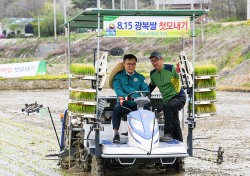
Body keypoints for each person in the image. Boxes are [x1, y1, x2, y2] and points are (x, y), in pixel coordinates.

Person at [148, 52, 186, 142]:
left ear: (162, 60)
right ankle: (179, 142)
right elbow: (151, 86)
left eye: (156, 60)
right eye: (152, 61)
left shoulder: (170, 68)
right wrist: (146, 93)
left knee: (169, 108)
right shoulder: (153, 74)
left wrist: (181, 71)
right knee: (175, 121)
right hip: (166, 100)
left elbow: (180, 77)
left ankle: (167, 133)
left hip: (178, 97)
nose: (154, 63)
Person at [112, 54, 150, 143]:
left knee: (147, 110)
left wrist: (147, 95)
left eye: (133, 64)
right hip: (124, 103)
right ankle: (116, 133)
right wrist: (127, 97)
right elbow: (118, 90)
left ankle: (147, 134)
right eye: (128, 64)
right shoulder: (118, 77)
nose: (131, 66)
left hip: (137, 103)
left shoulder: (140, 77)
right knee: (117, 109)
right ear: (124, 64)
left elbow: (145, 89)